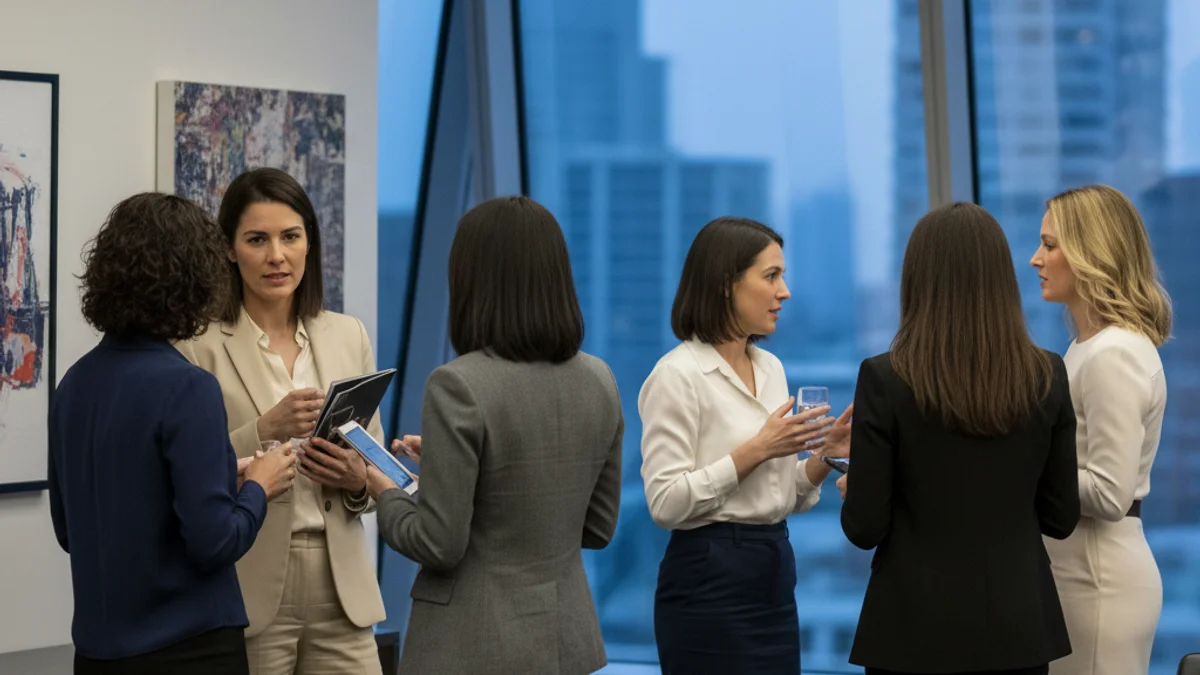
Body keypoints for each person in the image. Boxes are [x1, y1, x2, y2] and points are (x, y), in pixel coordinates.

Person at [365, 196, 623, 675]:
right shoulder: (600, 379)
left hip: (470, 648)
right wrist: (456, 468)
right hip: (566, 644)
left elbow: (439, 545)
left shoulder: (458, 383)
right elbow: (598, 528)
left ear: (473, 281)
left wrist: (385, 490)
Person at [49, 193, 296, 675]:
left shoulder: (74, 383)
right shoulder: (189, 387)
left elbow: (70, 531)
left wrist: (225, 473)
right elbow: (217, 544)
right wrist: (259, 488)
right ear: (195, 279)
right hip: (190, 650)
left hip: (98, 654)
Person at [840, 202, 1080, 675]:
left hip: (910, 635)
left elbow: (864, 528)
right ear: (1000, 280)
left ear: (916, 279)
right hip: (1018, 633)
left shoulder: (883, 378)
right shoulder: (1048, 373)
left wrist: (857, 486)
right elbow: (1060, 517)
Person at [177, 168, 385, 675]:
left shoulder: (346, 334)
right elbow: (187, 473)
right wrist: (264, 429)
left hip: (343, 583)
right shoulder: (196, 345)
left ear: (308, 243)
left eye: (290, 237)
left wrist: (357, 480)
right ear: (229, 249)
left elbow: (372, 459)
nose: (277, 256)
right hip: (250, 579)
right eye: (257, 240)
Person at [638, 216, 852, 674]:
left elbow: (781, 495)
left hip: (773, 568)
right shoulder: (676, 376)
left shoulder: (771, 367)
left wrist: (819, 458)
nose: (785, 291)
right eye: (771, 276)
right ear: (725, 285)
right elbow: (664, 503)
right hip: (708, 579)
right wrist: (757, 449)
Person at [1031, 185, 1171, 675]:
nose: (1035, 259)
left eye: (1049, 245)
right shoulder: (1089, 348)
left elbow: (1110, 494)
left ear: (1092, 253)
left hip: (1099, 581)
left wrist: (1022, 468)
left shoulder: (1112, 353)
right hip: (1082, 572)